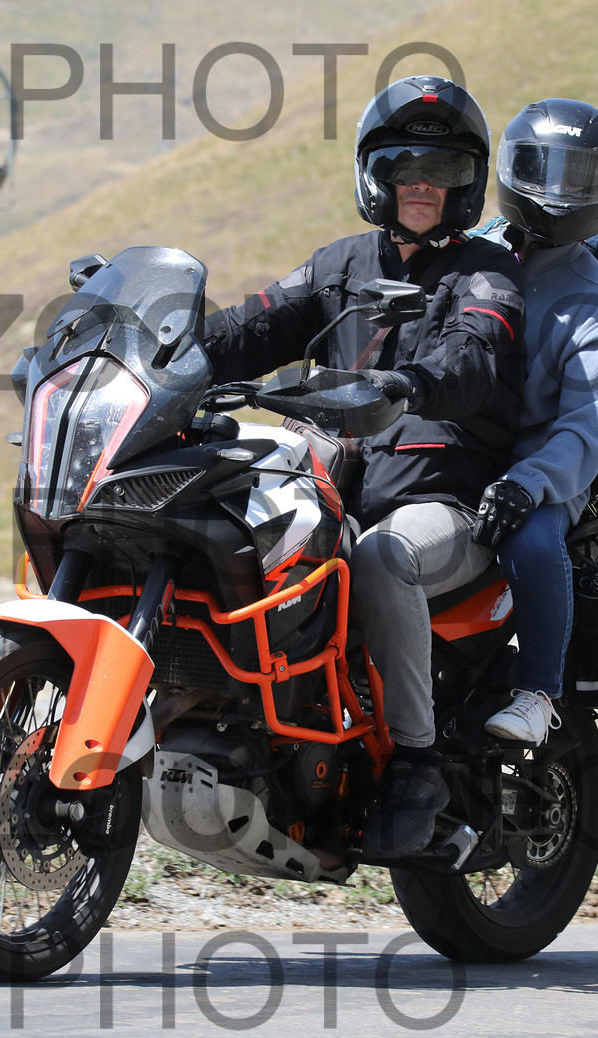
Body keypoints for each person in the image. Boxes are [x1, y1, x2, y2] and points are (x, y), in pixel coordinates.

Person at [202, 75, 526, 858]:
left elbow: (474, 354)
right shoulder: (339, 265)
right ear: (372, 173)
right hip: (345, 495)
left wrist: (412, 381)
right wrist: (161, 348)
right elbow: (247, 328)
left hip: (449, 508)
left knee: (384, 556)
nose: (421, 183)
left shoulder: (487, 273)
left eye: (442, 169)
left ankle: (416, 763)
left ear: (467, 183)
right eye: (402, 165)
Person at [469, 99, 598, 744]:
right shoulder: (474, 253)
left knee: (532, 542)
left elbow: (586, 430)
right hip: (457, 448)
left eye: (581, 178)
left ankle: (538, 693)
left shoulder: (593, 300)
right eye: (546, 170)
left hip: (543, 471)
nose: (561, 192)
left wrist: (528, 484)